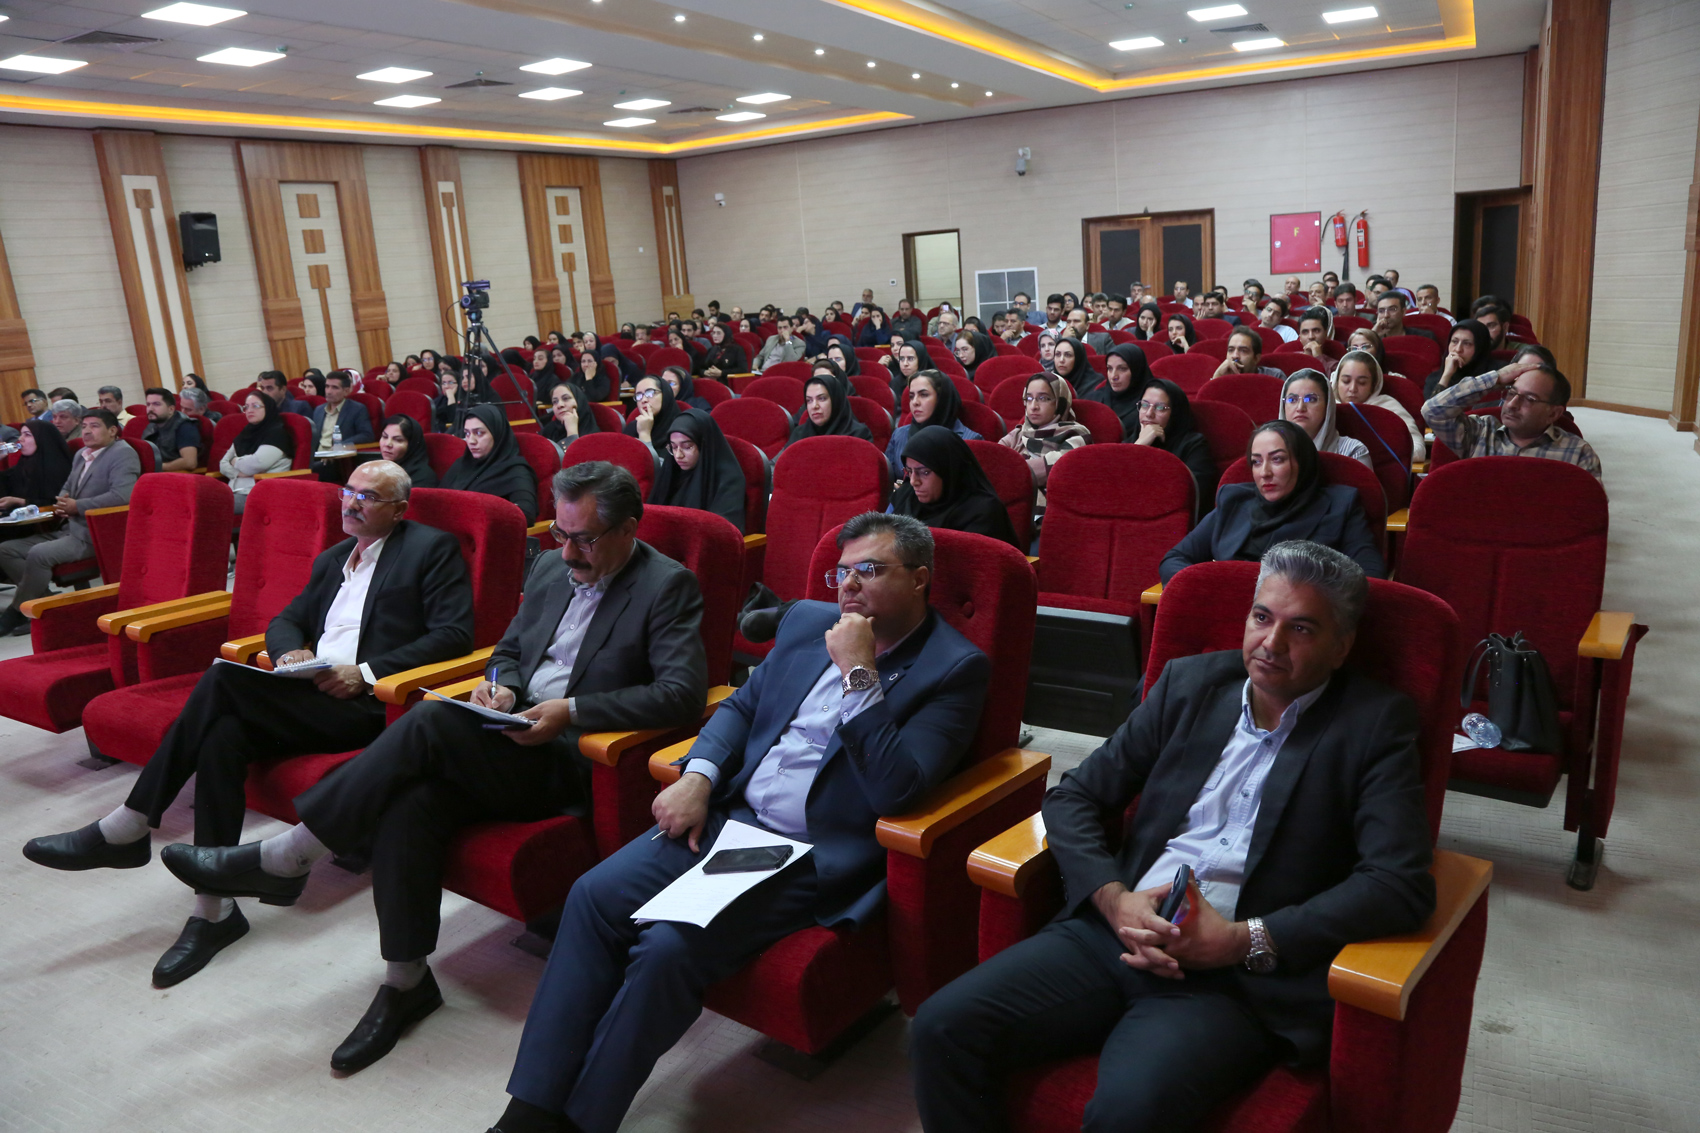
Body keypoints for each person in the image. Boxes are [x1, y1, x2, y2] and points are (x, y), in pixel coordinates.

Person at [160, 462, 708, 1072]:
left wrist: (570, 710)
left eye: (585, 539)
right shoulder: (552, 567)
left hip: (574, 758)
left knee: (430, 719)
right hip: (508, 733)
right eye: (560, 533)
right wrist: (501, 685)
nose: (569, 552)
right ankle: (406, 981)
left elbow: (682, 693)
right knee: (409, 800)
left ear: (628, 529)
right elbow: (507, 651)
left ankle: (292, 854)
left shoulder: (667, 585)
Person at [485, 511, 989, 1133]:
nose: (849, 586)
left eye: (869, 570)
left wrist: (859, 674)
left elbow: (896, 788)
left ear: (918, 579)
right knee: (591, 895)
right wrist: (698, 776)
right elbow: (740, 710)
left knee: (667, 947)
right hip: (730, 815)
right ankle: (532, 1106)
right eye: (842, 571)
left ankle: (586, 1120)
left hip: (811, 850)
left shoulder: (953, 668)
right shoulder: (807, 622)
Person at [912, 539, 1433, 1133]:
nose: (1271, 643)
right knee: (940, 1027)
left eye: (1302, 629)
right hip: (1116, 931)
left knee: (1128, 1113)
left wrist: (1241, 940)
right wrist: (1114, 899)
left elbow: (1398, 883)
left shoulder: (1373, 724)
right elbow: (1075, 797)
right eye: (1262, 617)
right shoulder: (1191, 684)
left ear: (1341, 646)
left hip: (1230, 981)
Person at [22, 460, 474, 983]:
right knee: (223, 736)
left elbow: (453, 634)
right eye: (348, 492)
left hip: (373, 704)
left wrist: (366, 673)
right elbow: (287, 620)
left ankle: (131, 823)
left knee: (222, 679)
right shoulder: (334, 558)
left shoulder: (429, 549)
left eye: (368, 497)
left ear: (398, 509)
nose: (352, 503)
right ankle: (212, 911)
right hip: (309, 692)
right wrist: (288, 654)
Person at [1159, 422, 1384, 581]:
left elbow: (1370, 575)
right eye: (1256, 462)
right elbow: (1174, 559)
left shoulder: (1341, 505)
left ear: (1302, 462)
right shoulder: (1233, 500)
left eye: (1277, 459)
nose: (1264, 473)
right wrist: (1213, 587)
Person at [0, 409, 140, 635]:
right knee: (6, 550)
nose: (87, 431)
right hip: (68, 528)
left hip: (96, 534)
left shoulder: (122, 453)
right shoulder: (82, 454)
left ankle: (16, 611)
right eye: (84, 426)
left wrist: (78, 506)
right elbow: (67, 488)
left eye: (94, 426)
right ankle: (45, 606)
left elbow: (123, 496)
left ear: (113, 431)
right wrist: (62, 503)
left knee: (39, 553)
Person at [1422, 355, 1601, 479]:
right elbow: (1432, 411)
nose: (1512, 404)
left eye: (1529, 399)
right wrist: (1497, 378)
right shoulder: (1481, 432)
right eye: (1511, 393)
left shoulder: (1578, 453)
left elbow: (1588, 514)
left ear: (1553, 413)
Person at [890, 425, 1020, 550]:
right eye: (909, 471)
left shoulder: (984, 514)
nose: (914, 481)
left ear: (948, 471)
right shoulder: (905, 496)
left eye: (924, 472)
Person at [1114, 368, 1217, 517]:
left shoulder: (1194, 446)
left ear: (1175, 413)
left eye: (1160, 408)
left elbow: (1189, 495)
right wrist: (1139, 446)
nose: (1149, 414)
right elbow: (1111, 491)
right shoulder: (1130, 443)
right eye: (1144, 405)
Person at [1000, 374, 1092, 528]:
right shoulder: (1019, 434)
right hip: (1009, 513)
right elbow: (994, 465)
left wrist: (1011, 470)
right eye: (1029, 398)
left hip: (1057, 520)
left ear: (1060, 402)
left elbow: (1056, 468)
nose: (1033, 406)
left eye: (1043, 398)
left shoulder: (1078, 435)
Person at [650, 407, 746, 533]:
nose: (678, 455)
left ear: (703, 445)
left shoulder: (729, 480)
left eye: (687, 447)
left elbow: (724, 532)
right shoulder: (672, 472)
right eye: (673, 447)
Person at [441, 405, 539, 524]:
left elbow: (525, 514)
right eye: (467, 433)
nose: (471, 441)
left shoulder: (516, 471)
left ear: (496, 434)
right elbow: (438, 501)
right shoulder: (461, 464)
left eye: (479, 433)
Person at [1333, 350, 1426, 463]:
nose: (1352, 389)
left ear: (1373, 385)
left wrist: (1370, 456)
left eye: (1362, 382)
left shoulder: (1388, 407)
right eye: (1346, 381)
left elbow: (1418, 450)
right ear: (1336, 382)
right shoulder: (1326, 406)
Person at [886, 370, 980, 474]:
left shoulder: (969, 440)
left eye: (924, 395)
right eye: (911, 396)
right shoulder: (898, 435)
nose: (915, 402)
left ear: (942, 399)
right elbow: (888, 479)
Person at [1278, 370, 1373, 469]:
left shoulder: (1352, 451)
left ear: (1327, 405)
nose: (1300, 408)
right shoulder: (1270, 450)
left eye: (1311, 399)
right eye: (1292, 400)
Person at [219, 390, 295, 511]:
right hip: (235, 491)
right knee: (202, 501)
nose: (249, 410)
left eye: (255, 406)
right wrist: (238, 474)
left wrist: (234, 461)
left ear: (267, 408)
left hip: (262, 494)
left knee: (213, 506)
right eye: (246, 407)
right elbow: (223, 464)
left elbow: (255, 464)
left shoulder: (277, 434)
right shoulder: (245, 434)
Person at [0, 418, 74, 516]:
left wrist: (20, 501)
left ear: (42, 439)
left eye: (27, 435)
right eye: (21, 434)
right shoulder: (23, 465)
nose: (20, 439)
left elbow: (54, 503)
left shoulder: (57, 468)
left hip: (45, 521)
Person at [310, 371, 375, 474]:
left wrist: (340, 446)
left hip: (337, 460)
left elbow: (367, 435)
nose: (329, 391)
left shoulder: (357, 409)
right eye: (327, 386)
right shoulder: (319, 410)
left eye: (335, 388)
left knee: (312, 470)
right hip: (316, 456)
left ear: (346, 391)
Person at [790, 370, 873, 446]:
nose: (814, 406)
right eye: (809, 400)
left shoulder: (859, 434)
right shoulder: (799, 434)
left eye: (822, 398)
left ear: (836, 401)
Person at [1423, 319, 1494, 399]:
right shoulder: (1434, 379)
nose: (1458, 349)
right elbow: (1431, 406)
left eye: (1467, 344)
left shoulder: (1495, 375)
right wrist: (1446, 376)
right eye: (1454, 341)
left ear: (1480, 348)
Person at [139, 387, 203, 473]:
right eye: (148, 404)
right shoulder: (151, 428)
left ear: (171, 409)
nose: (150, 409)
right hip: (155, 475)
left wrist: (158, 467)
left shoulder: (185, 426)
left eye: (156, 404)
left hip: (179, 476)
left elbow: (190, 462)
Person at [373, 412, 437, 489]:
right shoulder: (375, 468)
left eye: (398, 440)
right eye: (384, 437)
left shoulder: (423, 478)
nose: (388, 444)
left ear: (411, 445)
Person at [627, 374, 681, 456]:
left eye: (650, 393)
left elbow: (660, 464)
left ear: (665, 395)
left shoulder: (680, 429)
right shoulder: (634, 427)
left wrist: (644, 434)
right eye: (639, 395)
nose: (644, 400)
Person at [539, 380, 598, 453]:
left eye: (566, 398)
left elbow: (575, 458)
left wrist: (572, 433)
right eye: (555, 402)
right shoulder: (549, 430)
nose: (559, 405)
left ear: (579, 401)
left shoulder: (594, 436)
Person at [1213, 327, 1286, 381]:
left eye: (1243, 351)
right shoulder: (1222, 375)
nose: (1235, 356)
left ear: (1256, 358)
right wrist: (1216, 378)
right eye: (1231, 350)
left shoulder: (1275, 376)